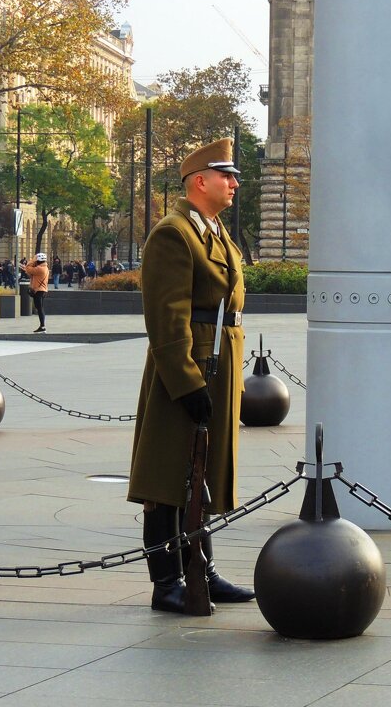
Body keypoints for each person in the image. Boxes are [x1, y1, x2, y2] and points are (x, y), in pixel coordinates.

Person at [128, 137, 253, 614]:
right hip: (186, 372)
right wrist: (186, 382)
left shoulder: (213, 231)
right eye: (227, 175)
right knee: (169, 479)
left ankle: (201, 570)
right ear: (200, 181)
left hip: (215, 365)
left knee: (198, 476)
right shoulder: (174, 234)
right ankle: (167, 583)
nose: (235, 183)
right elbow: (167, 318)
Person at [23, 252, 49, 332]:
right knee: (39, 308)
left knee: (40, 308)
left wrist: (32, 260)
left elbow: (28, 268)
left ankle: (42, 326)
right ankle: (42, 326)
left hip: (39, 291)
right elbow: (31, 273)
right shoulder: (45, 268)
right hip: (42, 290)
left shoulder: (40, 269)